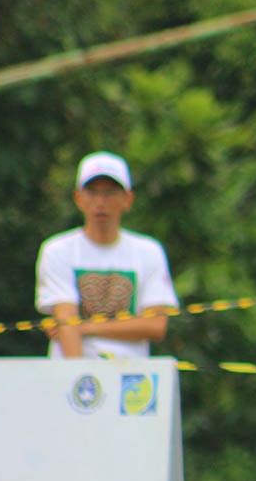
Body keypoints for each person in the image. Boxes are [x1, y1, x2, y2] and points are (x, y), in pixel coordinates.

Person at [35, 151, 179, 358]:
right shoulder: (58, 250)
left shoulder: (149, 251)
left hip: (131, 375)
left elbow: (155, 325)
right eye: (92, 192)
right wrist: (78, 374)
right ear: (78, 198)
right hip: (73, 374)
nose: (100, 201)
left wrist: (84, 327)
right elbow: (66, 322)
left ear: (127, 199)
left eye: (110, 192)